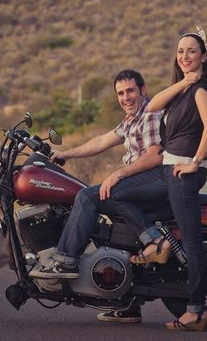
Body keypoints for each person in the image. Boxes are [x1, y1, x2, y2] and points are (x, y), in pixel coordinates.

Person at [31, 69, 168, 324]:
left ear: (143, 90)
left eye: (130, 91)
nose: (125, 97)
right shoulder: (132, 119)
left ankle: (65, 262)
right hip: (144, 181)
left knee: (87, 196)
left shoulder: (148, 114)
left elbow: (154, 155)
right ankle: (126, 302)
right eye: (120, 93)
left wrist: (118, 174)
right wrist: (67, 153)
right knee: (106, 204)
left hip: (155, 178)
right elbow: (102, 140)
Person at [146, 25, 207, 332]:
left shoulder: (201, 90)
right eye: (180, 51)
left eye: (191, 51)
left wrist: (195, 162)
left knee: (191, 240)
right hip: (168, 169)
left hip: (182, 172)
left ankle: (195, 310)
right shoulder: (185, 89)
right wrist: (183, 82)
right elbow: (151, 106)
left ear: (203, 56)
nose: (184, 56)